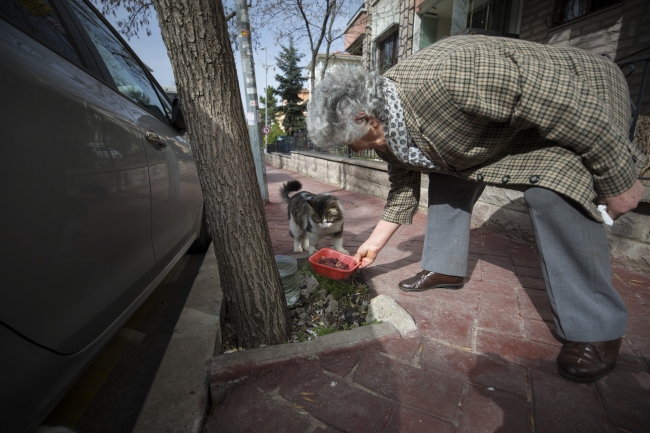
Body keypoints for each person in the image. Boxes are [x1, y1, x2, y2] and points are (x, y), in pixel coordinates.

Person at [306, 35, 647, 384]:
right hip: (510, 125)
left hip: (582, 99)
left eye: (351, 143)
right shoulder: (383, 124)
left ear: (365, 118)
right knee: (446, 173)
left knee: (554, 193)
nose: (356, 151)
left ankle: (595, 327)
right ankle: (446, 268)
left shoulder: (449, 75)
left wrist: (617, 175)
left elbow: (564, 105)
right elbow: (403, 185)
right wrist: (375, 245)